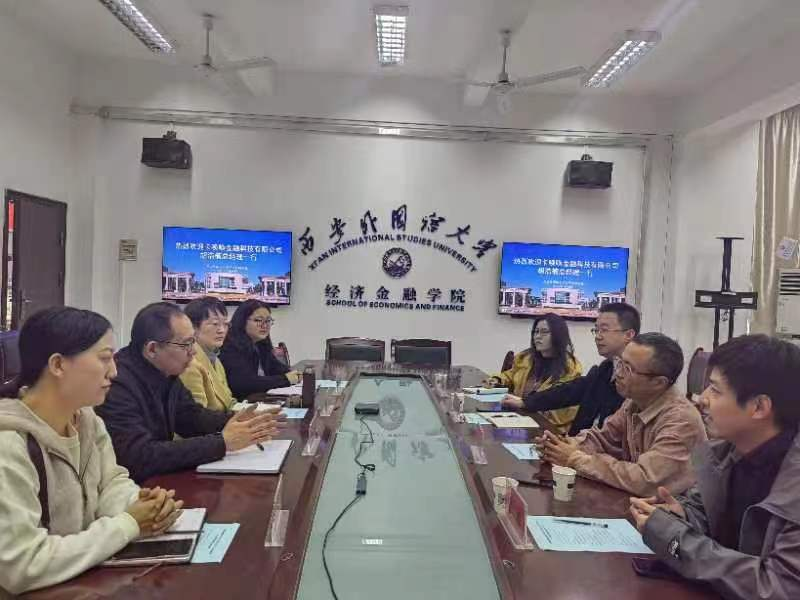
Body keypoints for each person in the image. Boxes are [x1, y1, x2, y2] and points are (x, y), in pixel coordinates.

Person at [0, 307, 183, 596]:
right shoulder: (9, 445)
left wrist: (142, 504)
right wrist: (128, 523)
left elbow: (110, 482)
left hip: (79, 582)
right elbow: (22, 564)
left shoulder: (86, 419)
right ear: (58, 365)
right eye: (104, 358)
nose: (114, 371)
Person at [630, 335, 800, 600]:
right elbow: (718, 522)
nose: (701, 399)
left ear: (759, 407)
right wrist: (684, 515)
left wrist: (675, 538)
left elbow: (778, 587)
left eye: (715, 390)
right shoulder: (729, 453)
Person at [97, 302, 284, 483]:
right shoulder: (118, 383)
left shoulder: (166, 370)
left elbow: (191, 417)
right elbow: (138, 456)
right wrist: (222, 442)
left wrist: (242, 420)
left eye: (193, 341)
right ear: (152, 349)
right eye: (186, 344)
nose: (193, 351)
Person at [538, 332, 706, 496]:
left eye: (628, 369)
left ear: (658, 382)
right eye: (619, 363)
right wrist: (561, 446)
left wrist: (574, 459)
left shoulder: (681, 421)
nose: (618, 373)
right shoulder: (634, 402)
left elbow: (645, 480)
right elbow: (603, 439)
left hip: (671, 510)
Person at [504, 302, 640, 436]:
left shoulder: (639, 378)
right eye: (596, 330)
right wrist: (525, 402)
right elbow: (568, 392)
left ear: (628, 335)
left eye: (604, 330)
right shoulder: (606, 369)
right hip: (577, 443)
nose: (598, 336)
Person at [488, 313, 582, 433]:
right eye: (536, 332)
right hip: (518, 421)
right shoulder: (526, 358)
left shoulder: (570, 369)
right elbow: (511, 375)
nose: (537, 336)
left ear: (558, 335)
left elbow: (561, 410)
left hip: (548, 430)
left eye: (544, 332)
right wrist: (498, 379)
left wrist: (526, 405)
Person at [219, 300, 300, 398]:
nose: (264, 325)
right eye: (258, 320)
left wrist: (295, 374)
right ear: (242, 321)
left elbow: (277, 368)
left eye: (268, 321)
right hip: (241, 403)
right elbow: (246, 383)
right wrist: (286, 379)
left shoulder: (260, 344)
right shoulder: (231, 347)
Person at [180, 297, 235, 411]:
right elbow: (197, 415)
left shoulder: (215, 359)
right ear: (193, 327)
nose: (222, 330)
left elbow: (228, 401)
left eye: (225, 324)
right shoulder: (189, 364)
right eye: (215, 324)